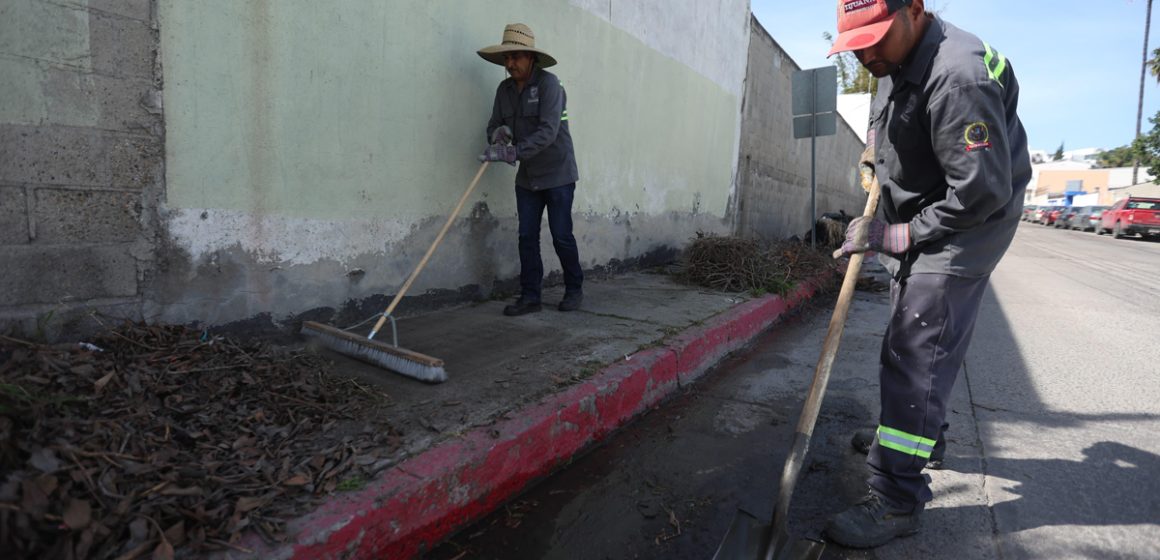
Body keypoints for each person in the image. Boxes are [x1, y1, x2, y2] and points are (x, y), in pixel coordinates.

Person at [826, 0, 1031, 548]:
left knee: (915, 353)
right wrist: (874, 156)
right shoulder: (892, 57)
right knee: (910, 324)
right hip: (930, 206)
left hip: (969, 222)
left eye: (874, 37)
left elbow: (982, 191)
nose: (865, 52)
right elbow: (884, 115)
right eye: (856, 41)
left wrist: (893, 237)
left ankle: (896, 499)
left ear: (914, 8)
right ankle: (921, 439)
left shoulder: (958, 76)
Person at [477, 23, 584, 316]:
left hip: (558, 173)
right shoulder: (505, 89)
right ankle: (530, 297)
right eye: (506, 59)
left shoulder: (550, 85)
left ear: (531, 58)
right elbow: (494, 124)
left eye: (515, 57)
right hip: (527, 177)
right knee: (526, 236)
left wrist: (512, 152)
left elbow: (549, 132)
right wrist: (498, 135)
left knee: (561, 235)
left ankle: (574, 289)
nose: (510, 64)